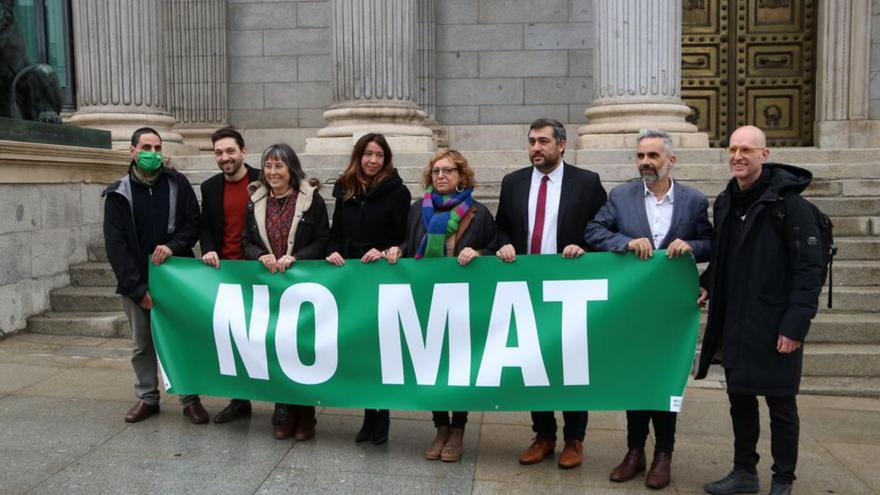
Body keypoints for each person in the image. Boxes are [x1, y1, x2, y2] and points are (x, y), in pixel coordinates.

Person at [697, 126, 825, 495]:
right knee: (740, 398)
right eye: (733, 149)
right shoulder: (725, 201)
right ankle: (744, 473)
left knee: (781, 404)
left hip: (775, 322)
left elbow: (809, 270)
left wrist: (795, 326)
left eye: (747, 150)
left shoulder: (792, 207)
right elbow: (722, 256)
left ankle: (782, 479)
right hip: (736, 320)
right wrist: (707, 284)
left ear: (764, 155)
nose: (738, 156)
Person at [584, 128, 713, 489]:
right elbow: (593, 231)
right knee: (636, 375)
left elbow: (711, 243)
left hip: (671, 308)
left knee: (665, 378)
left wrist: (691, 246)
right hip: (632, 305)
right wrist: (625, 242)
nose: (645, 163)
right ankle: (634, 452)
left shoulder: (693, 200)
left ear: (671, 160)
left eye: (653, 156)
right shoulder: (621, 195)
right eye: (641, 156)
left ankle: (663, 455)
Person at [494, 117, 607, 469]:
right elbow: (501, 228)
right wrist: (504, 246)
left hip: (569, 287)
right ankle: (543, 434)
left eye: (543, 141)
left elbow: (601, 228)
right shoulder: (513, 183)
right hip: (527, 288)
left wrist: (583, 248)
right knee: (533, 362)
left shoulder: (587, 183)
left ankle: (575, 438)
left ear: (561, 145)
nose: (535, 148)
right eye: (531, 141)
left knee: (571, 362)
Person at [385, 149, 496, 463]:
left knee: (459, 366)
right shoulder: (419, 208)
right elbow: (409, 243)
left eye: (448, 171)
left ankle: (458, 429)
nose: (441, 177)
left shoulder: (477, 212)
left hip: (463, 302)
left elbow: (494, 246)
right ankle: (440, 426)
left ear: (461, 176)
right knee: (432, 364)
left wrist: (478, 253)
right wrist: (397, 250)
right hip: (426, 299)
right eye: (436, 171)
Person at [103, 127, 206, 424]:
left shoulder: (178, 183)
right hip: (137, 282)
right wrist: (137, 289)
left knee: (181, 340)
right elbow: (116, 246)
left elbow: (192, 223)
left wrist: (173, 247)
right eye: (146, 147)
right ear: (132, 151)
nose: (153, 154)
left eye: (158, 148)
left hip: (176, 281)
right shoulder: (117, 194)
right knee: (142, 344)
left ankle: (190, 398)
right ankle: (147, 397)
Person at [325, 133, 411, 445]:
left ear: (386, 159)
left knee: (382, 349)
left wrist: (387, 249)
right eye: (368, 154)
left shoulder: (397, 192)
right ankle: (367, 415)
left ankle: (382, 416)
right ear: (358, 156)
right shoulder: (345, 189)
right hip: (350, 277)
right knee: (359, 346)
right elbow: (336, 231)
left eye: (379, 155)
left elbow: (405, 236)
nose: (373, 160)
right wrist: (333, 251)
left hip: (381, 278)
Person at [242, 143, 330, 442]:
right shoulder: (255, 201)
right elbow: (246, 241)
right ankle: (286, 412)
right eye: (268, 166)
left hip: (302, 285)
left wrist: (298, 258)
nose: (272, 172)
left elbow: (322, 240)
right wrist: (259, 256)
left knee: (302, 348)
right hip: (271, 287)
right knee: (277, 349)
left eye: (279, 166)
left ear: (291, 169)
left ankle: (305, 415)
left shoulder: (310, 201)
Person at [198, 127, 277, 426]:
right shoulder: (209, 187)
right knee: (233, 339)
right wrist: (208, 248)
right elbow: (206, 226)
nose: (224, 157)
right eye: (219, 152)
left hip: (261, 270)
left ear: (244, 151)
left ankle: (281, 401)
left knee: (269, 338)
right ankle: (239, 400)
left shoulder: (264, 179)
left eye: (230, 151)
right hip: (226, 275)